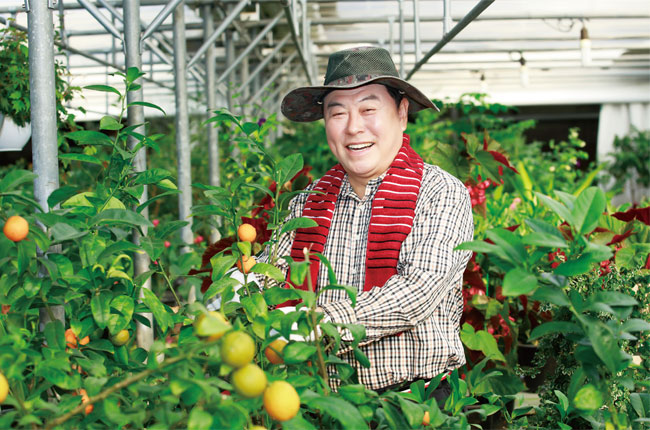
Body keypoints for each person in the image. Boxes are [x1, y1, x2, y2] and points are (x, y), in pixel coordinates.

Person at [263, 46, 473, 398]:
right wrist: (236, 288)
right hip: (318, 402)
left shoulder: (440, 193)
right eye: (337, 113)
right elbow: (269, 271)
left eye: (368, 109)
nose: (353, 127)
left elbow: (416, 293)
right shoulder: (307, 203)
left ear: (401, 113)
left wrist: (315, 324)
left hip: (414, 404)